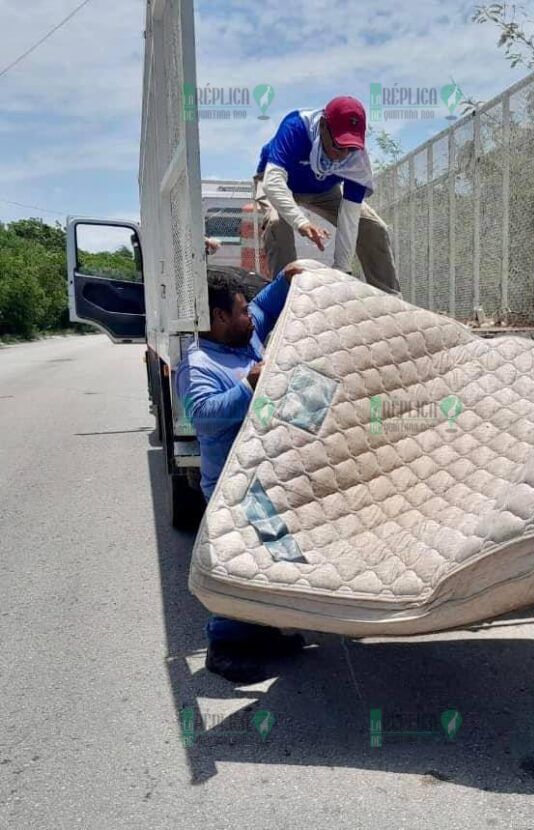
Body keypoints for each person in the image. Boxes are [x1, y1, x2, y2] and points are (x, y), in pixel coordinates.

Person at [174, 263, 308, 683]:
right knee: (238, 563)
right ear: (218, 318)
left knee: (272, 558)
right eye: (241, 312)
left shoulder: (244, 333)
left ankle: (263, 631)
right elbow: (204, 417)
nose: (252, 318)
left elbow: (267, 304)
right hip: (233, 483)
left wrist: (288, 278)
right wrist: (249, 385)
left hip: (268, 475)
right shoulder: (198, 365)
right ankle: (224, 645)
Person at [255, 96, 401, 295]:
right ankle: (284, 298)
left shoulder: (357, 156)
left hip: (324, 188)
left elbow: (350, 219)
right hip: (278, 181)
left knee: (374, 228)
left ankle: (389, 300)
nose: (343, 154)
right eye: (338, 146)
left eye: (350, 148)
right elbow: (273, 182)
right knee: (277, 224)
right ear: (323, 125)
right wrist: (301, 222)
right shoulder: (296, 127)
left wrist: (342, 270)